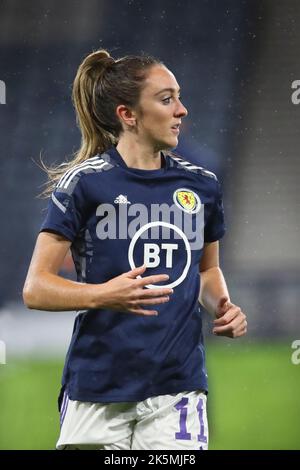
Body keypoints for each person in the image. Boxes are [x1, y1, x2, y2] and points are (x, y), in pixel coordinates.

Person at [23, 49, 247, 450]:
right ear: (128, 115)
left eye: (178, 97)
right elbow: (36, 288)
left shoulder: (202, 186)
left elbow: (204, 272)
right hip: (96, 388)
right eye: (166, 99)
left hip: (177, 387)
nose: (182, 110)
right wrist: (103, 295)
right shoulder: (83, 184)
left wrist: (224, 306)